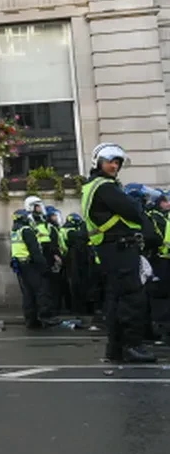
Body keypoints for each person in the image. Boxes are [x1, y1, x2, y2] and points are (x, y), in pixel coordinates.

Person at [82, 143, 155, 363]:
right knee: (132, 298)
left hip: (111, 249)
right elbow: (133, 211)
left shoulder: (94, 186)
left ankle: (116, 349)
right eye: (110, 161)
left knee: (116, 299)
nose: (114, 166)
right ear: (98, 162)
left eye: (117, 163)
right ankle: (131, 346)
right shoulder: (104, 187)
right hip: (119, 248)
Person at [10, 208, 49, 327]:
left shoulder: (15, 231)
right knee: (40, 290)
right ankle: (43, 317)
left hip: (20, 265)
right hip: (30, 265)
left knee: (27, 293)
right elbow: (34, 250)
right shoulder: (26, 230)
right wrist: (43, 266)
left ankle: (30, 319)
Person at [142, 188, 170, 339]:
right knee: (160, 296)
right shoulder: (155, 216)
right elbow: (157, 238)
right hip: (159, 260)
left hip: (163, 259)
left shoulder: (161, 216)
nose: (168, 203)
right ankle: (161, 328)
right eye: (165, 201)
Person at [62, 212, 97, 317]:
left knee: (83, 284)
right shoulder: (69, 231)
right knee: (76, 284)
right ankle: (78, 309)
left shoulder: (73, 230)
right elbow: (79, 237)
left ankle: (82, 308)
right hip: (72, 258)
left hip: (77, 258)